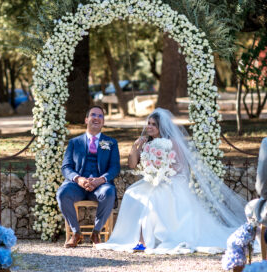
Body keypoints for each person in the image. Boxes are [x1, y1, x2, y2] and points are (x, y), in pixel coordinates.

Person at [96, 108, 246, 254]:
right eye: (148, 123)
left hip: (171, 180)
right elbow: (132, 165)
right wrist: (135, 147)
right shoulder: (146, 142)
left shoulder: (172, 142)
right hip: (152, 180)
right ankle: (130, 237)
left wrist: (161, 170)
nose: (149, 127)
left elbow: (180, 167)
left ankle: (143, 241)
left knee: (152, 199)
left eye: (153, 124)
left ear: (161, 127)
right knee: (131, 193)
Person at [57, 106, 120, 247]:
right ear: (86, 119)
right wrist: (78, 179)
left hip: (100, 186)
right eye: (93, 115)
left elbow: (115, 167)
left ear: (103, 122)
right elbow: (66, 167)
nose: (97, 118)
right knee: (62, 193)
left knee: (109, 192)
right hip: (77, 186)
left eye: (100, 116)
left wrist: (101, 179)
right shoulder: (74, 142)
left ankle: (96, 233)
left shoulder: (111, 143)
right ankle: (76, 233)